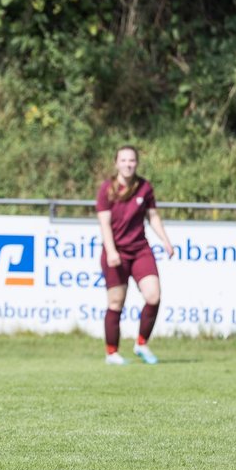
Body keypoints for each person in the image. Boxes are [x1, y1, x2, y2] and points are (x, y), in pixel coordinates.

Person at [97, 145, 174, 365]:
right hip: (116, 251)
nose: (128, 164)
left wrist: (166, 241)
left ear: (136, 163)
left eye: (131, 160)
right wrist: (111, 251)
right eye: (123, 160)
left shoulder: (144, 188)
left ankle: (141, 343)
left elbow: (153, 217)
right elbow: (104, 223)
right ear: (116, 163)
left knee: (153, 296)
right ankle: (112, 353)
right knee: (116, 302)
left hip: (140, 250)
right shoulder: (107, 189)